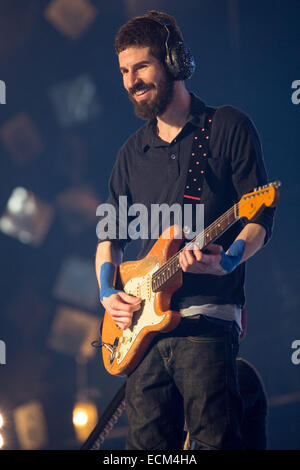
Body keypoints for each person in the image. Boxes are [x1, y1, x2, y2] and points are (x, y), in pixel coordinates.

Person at [95, 10, 275, 450]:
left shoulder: (229, 126)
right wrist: (106, 293)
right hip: (141, 332)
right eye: (123, 71)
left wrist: (229, 258)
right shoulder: (130, 154)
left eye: (141, 67)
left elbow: (260, 217)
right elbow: (109, 239)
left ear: (174, 62)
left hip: (206, 322)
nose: (130, 81)